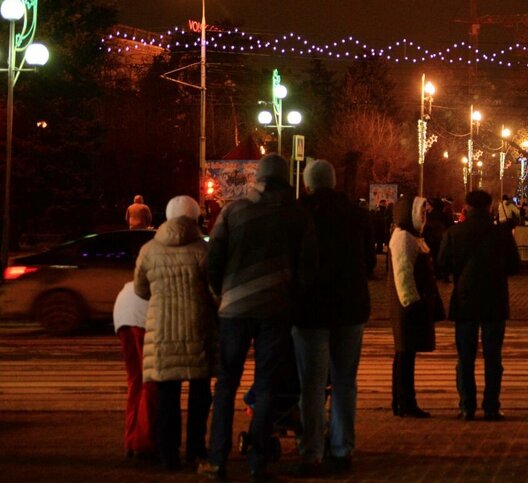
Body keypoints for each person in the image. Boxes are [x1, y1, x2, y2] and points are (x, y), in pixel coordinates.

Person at [202, 154, 318, 481]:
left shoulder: (233, 212)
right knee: (267, 384)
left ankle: (217, 459)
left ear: (258, 178)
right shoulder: (298, 217)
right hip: (276, 311)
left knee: (226, 384)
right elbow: (308, 269)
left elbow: (214, 261)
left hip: (234, 310)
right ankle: (258, 460)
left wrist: (221, 293)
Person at [291, 160, 374, 475]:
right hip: (350, 308)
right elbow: (369, 262)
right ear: (335, 182)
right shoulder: (356, 214)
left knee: (310, 385)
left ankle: (310, 452)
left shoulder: (300, 214)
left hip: (310, 309)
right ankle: (342, 449)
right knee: (344, 382)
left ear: (308, 184)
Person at [133, 195, 216, 471]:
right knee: (199, 395)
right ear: (196, 219)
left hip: (162, 333)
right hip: (198, 329)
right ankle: (196, 448)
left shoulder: (148, 250)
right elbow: (216, 292)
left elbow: (140, 289)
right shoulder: (204, 251)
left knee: (168, 397)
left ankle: (168, 454)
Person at [437, 190, 521, 421]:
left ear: (467, 207)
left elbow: (442, 265)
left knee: (466, 357)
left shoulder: (455, 232)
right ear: (490, 207)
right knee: (493, 357)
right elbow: (514, 267)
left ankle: (467, 406)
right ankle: (492, 406)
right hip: (494, 301)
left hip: (465, 302)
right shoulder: (501, 234)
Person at [389, 194, 445, 418]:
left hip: (411, 304)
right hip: (408, 306)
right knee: (405, 353)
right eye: (420, 213)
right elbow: (403, 272)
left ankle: (402, 400)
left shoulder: (411, 236)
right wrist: (412, 302)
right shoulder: (404, 238)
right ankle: (405, 401)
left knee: (405, 353)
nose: (423, 217)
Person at [114, 280, 157, 460]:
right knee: (150, 382)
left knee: (135, 381)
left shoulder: (148, 256)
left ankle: (130, 439)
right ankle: (143, 442)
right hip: (142, 315)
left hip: (123, 311)